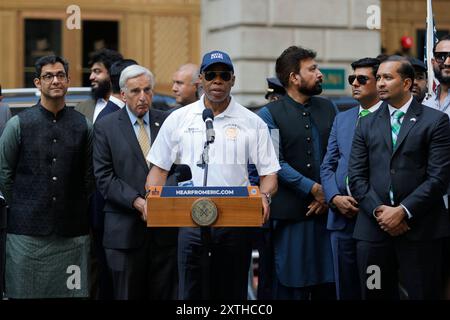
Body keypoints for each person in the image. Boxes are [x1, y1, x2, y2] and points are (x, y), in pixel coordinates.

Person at [145, 50, 280, 300]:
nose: (217, 81)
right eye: (211, 75)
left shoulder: (252, 122)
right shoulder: (178, 119)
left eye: (224, 75)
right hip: (190, 220)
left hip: (235, 223)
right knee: (191, 292)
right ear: (201, 79)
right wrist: (152, 197)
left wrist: (264, 196)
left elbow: (269, 173)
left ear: (233, 80)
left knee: (230, 294)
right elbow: (159, 169)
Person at [348, 55, 450, 299]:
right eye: (379, 77)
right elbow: (356, 176)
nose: (380, 83)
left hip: (421, 231)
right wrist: (381, 213)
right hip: (373, 232)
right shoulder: (366, 123)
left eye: (387, 77)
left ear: (406, 83)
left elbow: (439, 178)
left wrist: (403, 211)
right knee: (375, 293)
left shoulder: (435, 121)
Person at [0, 55, 93, 298]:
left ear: (68, 81)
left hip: (72, 233)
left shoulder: (84, 125)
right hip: (26, 234)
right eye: (48, 76)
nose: (55, 80)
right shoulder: (18, 124)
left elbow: (89, 176)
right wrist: (24, 202)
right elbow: (4, 173)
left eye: (60, 75)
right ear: (37, 83)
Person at [256, 46, 337, 300]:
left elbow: (338, 155)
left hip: (328, 217)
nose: (320, 74)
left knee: (330, 286)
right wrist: (314, 190)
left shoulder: (329, 108)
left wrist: (328, 195)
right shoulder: (268, 115)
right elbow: (274, 162)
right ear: (294, 77)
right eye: (312, 69)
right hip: (290, 220)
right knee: (290, 287)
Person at [93, 64, 178, 299]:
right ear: (123, 94)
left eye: (147, 90)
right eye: (135, 91)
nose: (143, 97)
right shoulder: (105, 127)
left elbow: (180, 170)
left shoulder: (168, 122)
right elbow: (104, 177)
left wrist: (159, 200)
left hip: (164, 234)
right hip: (124, 234)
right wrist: (140, 203)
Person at [320, 57, 382, 300]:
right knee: (345, 289)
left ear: (379, 83)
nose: (355, 83)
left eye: (362, 79)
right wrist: (335, 197)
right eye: (351, 79)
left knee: (374, 287)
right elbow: (328, 165)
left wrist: (370, 204)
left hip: (374, 219)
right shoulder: (342, 118)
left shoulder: (390, 118)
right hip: (341, 218)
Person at [422, 34, 450, 299]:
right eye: (441, 56)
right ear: (433, 61)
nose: (447, 61)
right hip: (430, 209)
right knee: (431, 279)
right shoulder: (425, 104)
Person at [76, 48, 123, 123]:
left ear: (112, 73)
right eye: (91, 72)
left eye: (97, 71)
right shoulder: (81, 108)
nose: (91, 77)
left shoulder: (128, 105)